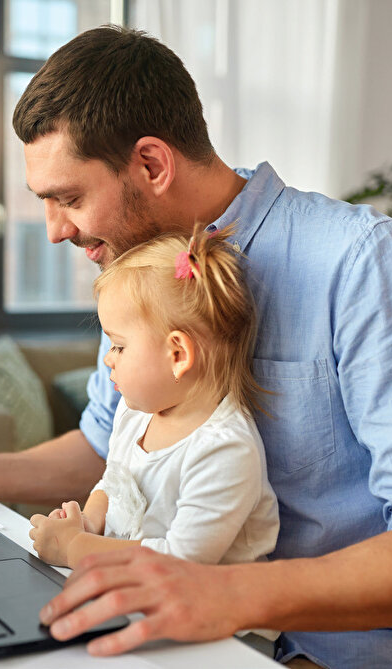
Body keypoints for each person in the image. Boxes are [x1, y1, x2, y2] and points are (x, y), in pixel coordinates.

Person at [0, 26, 392, 668]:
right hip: (185, 627)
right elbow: (101, 444)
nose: (56, 229)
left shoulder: (364, 262)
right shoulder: (141, 274)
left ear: (151, 163)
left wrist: (222, 594)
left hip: (339, 648)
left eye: (69, 198)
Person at [28, 226, 279, 592]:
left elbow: (180, 563)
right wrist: (87, 523)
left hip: (220, 630)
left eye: (118, 346)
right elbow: (112, 482)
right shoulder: (135, 415)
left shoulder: (225, 449)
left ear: (177, 354)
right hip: (135, 596)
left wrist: (74, 547)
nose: (108, 360)